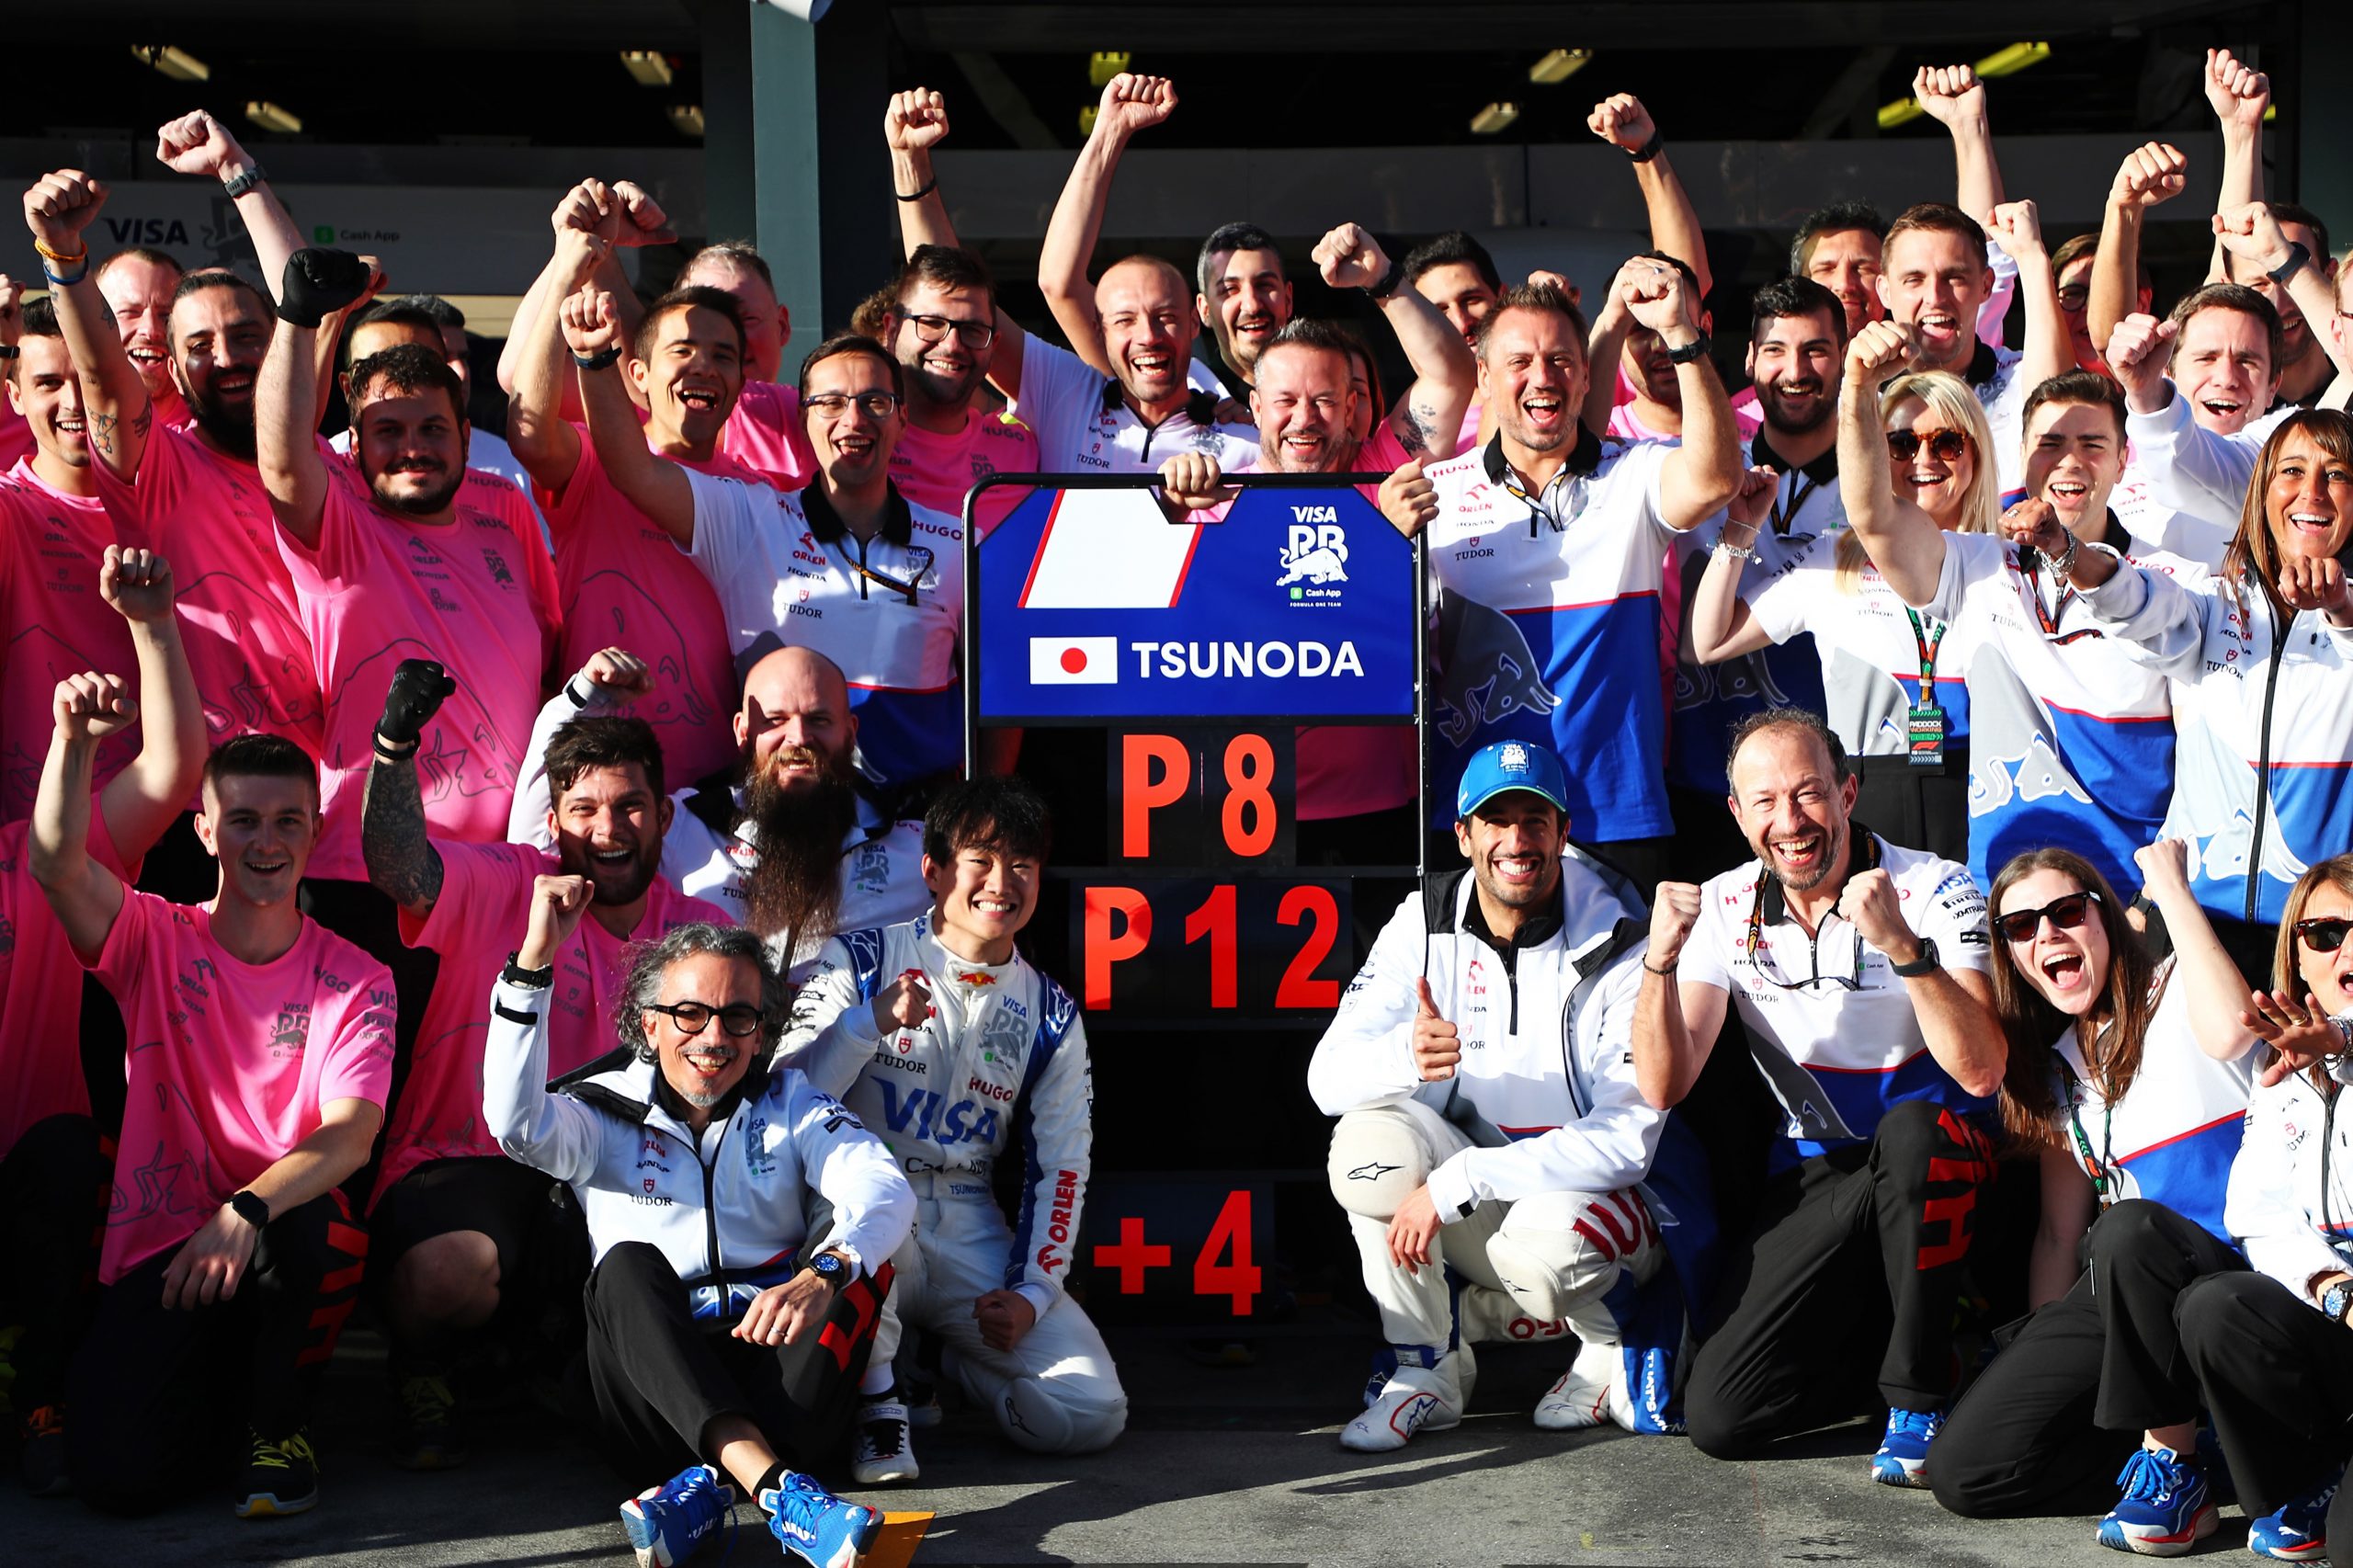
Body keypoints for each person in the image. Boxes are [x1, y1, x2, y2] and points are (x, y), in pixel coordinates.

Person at [360, 661, 728, 1468]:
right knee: (447, 1275)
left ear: (664, 815)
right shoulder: (509, 883)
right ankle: (424, 1363)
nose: (608, 827)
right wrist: (393, 748)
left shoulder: (698, 931)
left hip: (611, 1175)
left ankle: (543, 1366)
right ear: (554, 819)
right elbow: (398, 870)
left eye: (630, 805)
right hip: (468, 1158)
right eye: (585, 808)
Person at [1637, 709, 2005, 1485]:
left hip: (1942, 1163)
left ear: (1848, 791)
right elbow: (1661, 1085)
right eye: (1765, 802)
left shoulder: (1936, 884)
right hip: (1817, 1172)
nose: (1791, 821)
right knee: (1720, 1419)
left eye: (1808, 794)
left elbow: (1981, 1072)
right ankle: (1937, 1352)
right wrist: (1659, 961)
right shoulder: (1722, 904)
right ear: (1737, 816)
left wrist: (1905, 948)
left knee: (1911, 1135)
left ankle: (1919, 1394)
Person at [1306, 740, 1708, 1449]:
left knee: (1542, 1245)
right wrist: (1405, 1054)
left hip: (1600, 1204)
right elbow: (1326, 1080)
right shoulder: (1421, 919)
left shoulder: (1621, 930)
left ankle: (1612, 1342)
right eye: (1495, 820)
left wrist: (1463, 1178)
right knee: (1367, 1154)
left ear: (1564, 830)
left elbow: (1628, 1139)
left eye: (1534, 819)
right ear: (1462, 835)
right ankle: (1424, 1367)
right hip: (1484, 1203)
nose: (1516, 841)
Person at [32, 724, 392, 1517]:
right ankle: (222, 1404)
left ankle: (280, 1426)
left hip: (269, 1238)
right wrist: (71, 740)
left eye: (287, 821)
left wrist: (244, 1208)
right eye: (243, 820)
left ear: (315, 830)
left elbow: (351, 1134)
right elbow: (53, 863)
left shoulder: (357, 976)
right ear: (205, 832)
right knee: (118, 1479)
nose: (266, 842)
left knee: (310, 1228)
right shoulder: (156, 936)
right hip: (166, 1252)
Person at [484, 900, 909, 1568]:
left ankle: (706, 1493)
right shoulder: (599, 1110)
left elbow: (883, 1188)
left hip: (773, 1369)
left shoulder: (791, 1102)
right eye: (690, 1014)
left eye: (738, 1016)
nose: (713, 1037)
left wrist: (823, 1273)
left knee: (858, 1254)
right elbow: (513, 1123)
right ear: (648, 1024)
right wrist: (533, 965)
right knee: (624, 1265)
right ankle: (784, 1495)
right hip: (651, 1396)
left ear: (762, 1031)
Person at [783, 776, 1124, 1473]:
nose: (1003, 881)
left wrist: (1033, 1293)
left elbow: (1062, 1165)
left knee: (1092, 1414)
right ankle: (883, 1400)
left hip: (971, 1223)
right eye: (982, 859)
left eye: (1023, 864)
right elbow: (790, 1097)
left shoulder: (1052, 1013)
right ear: (934, 871)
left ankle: (947, 1363)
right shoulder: (863, 959)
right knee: (864, 1225)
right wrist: (867, 1023)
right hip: (870, 1209)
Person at [1928, 842, 2259, 1553]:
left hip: (2239, 1286)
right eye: (2021, 928)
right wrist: (2042, 1364)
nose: (2047, 934)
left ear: (2106, 917)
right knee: (1967, 1470)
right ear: (2012, 956)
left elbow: (2233, 1031)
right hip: (2137, 1302)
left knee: (2131, 1230)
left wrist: (2168, 887)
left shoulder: (2180, 987)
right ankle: (2214, 1463)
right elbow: (2056, 1234)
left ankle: (2176, 1468)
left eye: (2067, 912)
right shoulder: (2058, 1073)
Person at [253, 248, 560, 962]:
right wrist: (302, 319)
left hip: (506, 875)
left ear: (464, 436)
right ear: (354, 443)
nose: (412, 449)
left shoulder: (505, 509)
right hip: (363, 878)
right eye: (388, 432)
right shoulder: (339, 519)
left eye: (431, 430)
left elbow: (548, 666)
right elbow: (280, 454)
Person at [33, 168, 324, 901]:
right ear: (172, 363)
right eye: (199, 343)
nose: (224, 357)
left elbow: (305, 298)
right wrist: (66, 261)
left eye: (247, 335)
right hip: (207, 820)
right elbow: (102, 380)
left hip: (336, 812)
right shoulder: (160, 470)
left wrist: (241, 171)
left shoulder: (336, 471)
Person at [568, 290, 964, 801]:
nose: (854, 419)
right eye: (830, 403)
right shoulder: (752, 517)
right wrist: (594, 359)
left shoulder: (958, 543)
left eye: (876, 403)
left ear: (902, 420)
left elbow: (998, 697)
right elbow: (633, 469)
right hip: (787, 816)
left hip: (917, 827)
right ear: (803, 421)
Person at [1420, 270, 1742, 894]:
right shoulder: (1433, 496)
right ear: (1483, 378)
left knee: (1630, 994)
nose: (1543, 377)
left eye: (1561, 360)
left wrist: (1679, 332)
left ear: (1589, 375)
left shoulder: (1635, 473)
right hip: (1480, 816)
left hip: (1615, 812)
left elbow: (1715, 479)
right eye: (1519, 361)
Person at [0, 544, 203, 1494]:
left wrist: (153, 625)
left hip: (28, 1167)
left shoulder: (34, 859)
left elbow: (169, 769)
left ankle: (31, 1387)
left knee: (66, 1154)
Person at [1837, 350, 2187, 902]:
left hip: (2128, 893)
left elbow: (2199, 760)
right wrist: (1857, 386)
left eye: (2092, 445)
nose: (2069, 462)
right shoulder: (1978, 565)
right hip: (2005, 892)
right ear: (2022, 457)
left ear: (2124, 460)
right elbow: (1873, 516)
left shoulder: (2173, 580)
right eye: (2050, 445)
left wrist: (2156, 898)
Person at [2075, 408, 2353, 983]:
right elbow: (2147, 608)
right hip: (2191, 915)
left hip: (2317, 935)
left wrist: (2342, 610)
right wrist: (2072, 556)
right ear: (2262, 491)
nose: (2313, 492)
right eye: (2292, 471)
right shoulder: (2217, 600)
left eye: (2338, 474)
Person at [1688, 358, 2001, 864]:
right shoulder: (1832, 554)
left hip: (1983, 787)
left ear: (1976, 455)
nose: (1924, 459)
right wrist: (1740, 529)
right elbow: (1710, 640)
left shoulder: (2002, 559)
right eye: (1900, 443)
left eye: (1947, 442)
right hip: (1866, 788)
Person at [509, 197, 764, 789]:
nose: (703, 368)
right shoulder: (593, 457)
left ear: (741, 383)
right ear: (638, 376)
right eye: (683, 352)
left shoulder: (757, 492)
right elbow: (528, 433)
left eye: (723, 356)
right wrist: (570, 269)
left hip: (715, 797)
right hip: (596, 790)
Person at [890, 75, 1257, 476]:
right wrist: (911, 164)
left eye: (1166, 317)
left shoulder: (1247, 440)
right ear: (1099, 330)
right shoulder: (1065, 395)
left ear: (1193, 323)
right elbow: (951, 293)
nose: (1149, 336)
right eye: (1125, 320)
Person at [511, 644, 931, 976]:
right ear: (742, 731)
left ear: (850, 732)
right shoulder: (683, 821)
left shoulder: (914, 844)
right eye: (775, 720)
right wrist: (576, 701)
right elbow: (536, 855)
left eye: (819, 719)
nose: (798, 737)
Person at [2188, 854, 2353, 1563]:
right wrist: (2333, 1286)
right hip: (2339, 1314)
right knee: (2216, 1303)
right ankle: (2312, 1479)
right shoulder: (2279, 1073)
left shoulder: (2331, 1046)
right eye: (2325, 932)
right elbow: (2253, 1213)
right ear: (2297, 953)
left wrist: (2343, 1051)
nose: (2348, 948)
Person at [1665, 278, 1847, 880]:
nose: (1795, 370)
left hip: (1837, 781)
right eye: (1775, 350)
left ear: (1843, 355)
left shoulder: (1882, 479)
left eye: (1816, 350)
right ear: (1748, 361)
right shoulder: (1709, 471)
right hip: (1711, 775)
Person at [1, 297, 143, 824]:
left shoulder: (169, 492)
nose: (74, 401)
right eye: (48, 384)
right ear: (13, 395)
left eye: (85, 377)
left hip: (178, 817)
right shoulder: (10, 507)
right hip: (39, 829)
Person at [1876, 199, 2070, 489]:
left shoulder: (2018, 378)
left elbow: (2061, 406)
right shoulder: (1858, 395)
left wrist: (2031, 257)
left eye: (1955, 278)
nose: (1935, 297)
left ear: (1986, 285)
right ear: (1885, 291)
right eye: (1914, 280)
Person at [2108, 281, 2291, 567]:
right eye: (2206, 358)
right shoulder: (2111, 472)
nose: (2226, 378)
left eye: (2247, 361)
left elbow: (2191, 462)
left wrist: (2147, 394)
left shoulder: (2285, 449)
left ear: (2273, 386)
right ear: (2168, 371)